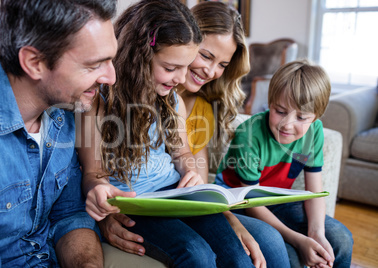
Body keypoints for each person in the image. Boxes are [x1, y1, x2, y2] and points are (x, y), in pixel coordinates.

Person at [79, 0, 256, 267]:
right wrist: (99, 192)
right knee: (196, 254)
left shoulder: (172, 100)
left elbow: (182, 152)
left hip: (176, 194)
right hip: (136, 204)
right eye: (171, 68)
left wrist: (190, 171)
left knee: (236, 255)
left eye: (185, 67)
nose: (179, 78)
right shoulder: (99, 101)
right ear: (141, 56)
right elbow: (92, 173)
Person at [0, 0, 124, 266]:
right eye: (94, 65)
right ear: (35, 62)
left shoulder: (63, 108)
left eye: (110, 60)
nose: (110, 78)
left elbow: (69, 213)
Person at [175, 2, 290, 267]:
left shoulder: (202, 108)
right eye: (205, 55)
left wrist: (230, 219)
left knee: (269, 242)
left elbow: (200, 188)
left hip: (190, 206)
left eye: (222, 64)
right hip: (159, 207)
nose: (211, 71)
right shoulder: (145, 96)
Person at [215, 59, 354, 267]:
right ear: (270, 103)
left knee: (341, 240)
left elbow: (313, 192)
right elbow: (253, 204)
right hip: (239, 204)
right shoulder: (249, 135)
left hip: (277, 200)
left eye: (301, 117)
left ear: (316, 116)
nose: (287, 124)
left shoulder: (315, 132)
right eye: (280, 111)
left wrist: (316, 233)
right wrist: (299, 240)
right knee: (291, 256)